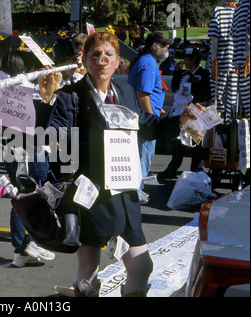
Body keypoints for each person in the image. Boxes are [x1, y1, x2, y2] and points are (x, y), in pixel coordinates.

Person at [39, 31, 205, 297]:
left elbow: (147, 125)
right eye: (95, 55)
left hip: (125, 193)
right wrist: (46, 101)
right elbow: (52, 139)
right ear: (85, 59)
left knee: (141, 266)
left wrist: (180, 120)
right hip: (89, 195)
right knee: (88, 271)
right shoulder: (70, 96)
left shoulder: (124, 91)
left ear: (118, 62)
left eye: (109, 55)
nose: (102, 60)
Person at [0, 50, 56, 267]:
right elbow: (42, 119)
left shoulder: (2, 86)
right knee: (34, 194)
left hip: (12, 146)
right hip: (29, 147)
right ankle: (27, 244)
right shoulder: (28, 91)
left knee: (22, 195)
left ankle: (22, 249)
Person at [128, 31, 169, 204]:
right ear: (155, 46)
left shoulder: (145, 60)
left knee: (141, 156)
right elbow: (143, 94)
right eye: (165, 46)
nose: (167, 49)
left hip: (144, 114)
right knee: (143, 157)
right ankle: (136, 193)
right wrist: (151, 119)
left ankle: (136, 191)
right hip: (145, 120)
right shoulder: (149, 63)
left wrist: (156, 109)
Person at [159, 47, 211, 180]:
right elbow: (175, 88)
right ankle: (173, 168)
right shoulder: (183, 74)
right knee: (179, 140)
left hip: (197, 112)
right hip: (183, 113)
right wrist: (177, 73)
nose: (184, 61)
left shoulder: (205, 74)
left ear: (194, 60)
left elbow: (206, 92)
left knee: (196, 140)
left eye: (187, 59)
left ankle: (196, 169)